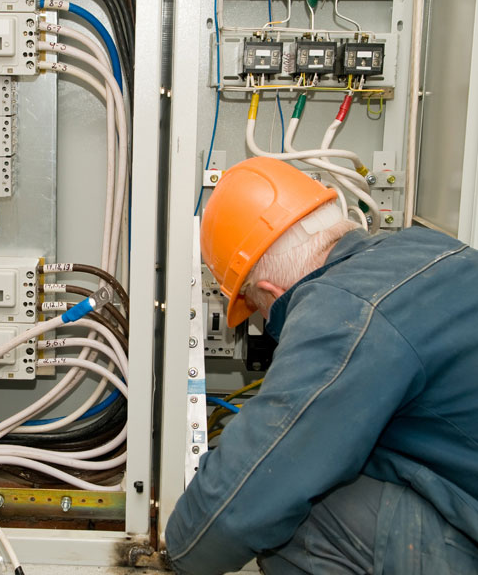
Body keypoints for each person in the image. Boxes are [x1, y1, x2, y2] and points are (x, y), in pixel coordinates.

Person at [166, 157, 478, 574]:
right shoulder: (432, 246)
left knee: (294, 517)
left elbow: (238, 504)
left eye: (260, 312)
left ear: (269, 291)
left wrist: (179, 553)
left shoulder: (342, 310)